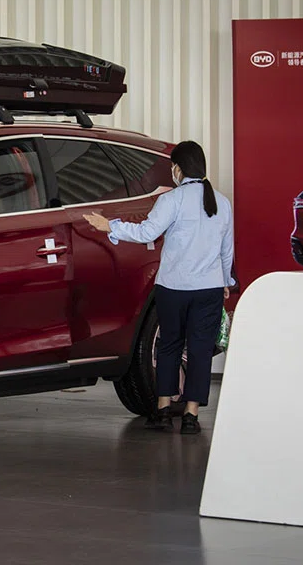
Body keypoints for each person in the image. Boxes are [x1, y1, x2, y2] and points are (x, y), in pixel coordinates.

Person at [84, 140, 234, 435]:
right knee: (202, 351)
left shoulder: (172, 201)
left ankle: (163, 411)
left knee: (169, 347)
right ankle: (191, 416)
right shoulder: (221, 202)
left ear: (177, 168)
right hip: (210, 289)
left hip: (174, 288)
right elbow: (226, 250)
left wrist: (110, 226)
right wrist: (226, 281)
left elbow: (146, 233)